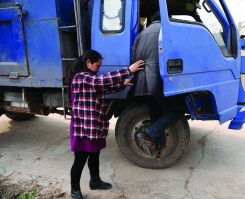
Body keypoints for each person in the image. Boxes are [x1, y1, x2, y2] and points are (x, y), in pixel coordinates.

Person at [67, 50, 144, 199]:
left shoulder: (91, 78)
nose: (99, 68)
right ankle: (74, 189)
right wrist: (128, 70)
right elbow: (101, 81)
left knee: (95, 154)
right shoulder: (81, 77)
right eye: (98, 65)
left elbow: (105, 87)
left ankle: (95, 181)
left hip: (93, 125)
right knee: (80, 159)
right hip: (82, 127)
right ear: (88, 62)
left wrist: (123, 84)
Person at [131, 11, 184, 160]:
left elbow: (134, 56)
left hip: (141, 82)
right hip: (158, 81)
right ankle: (148, 134)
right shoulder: (166, 31)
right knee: (176, 112)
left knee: (155, 110)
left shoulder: (141, 34)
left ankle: (158, 143)